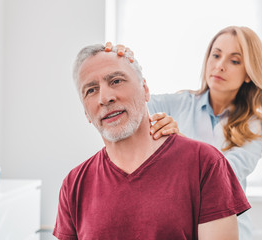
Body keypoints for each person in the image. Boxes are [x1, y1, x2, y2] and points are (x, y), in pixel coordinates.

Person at [53, 43, 251, 240]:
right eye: (91, 90)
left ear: (145, 89)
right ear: (86, 113)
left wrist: (185, 156)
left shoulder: (206, 164)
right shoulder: (74, 185)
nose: (105, 98)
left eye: (116, 81)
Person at [112, 26, 262, 240]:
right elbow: (133, 105)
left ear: (249, 73)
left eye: (234, 61)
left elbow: (225, 175)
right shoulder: (178, 103)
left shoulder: (255, 125)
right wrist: (121, 66)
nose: (220, 66)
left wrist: (180, 144)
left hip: (229, 229)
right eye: (216, 55)